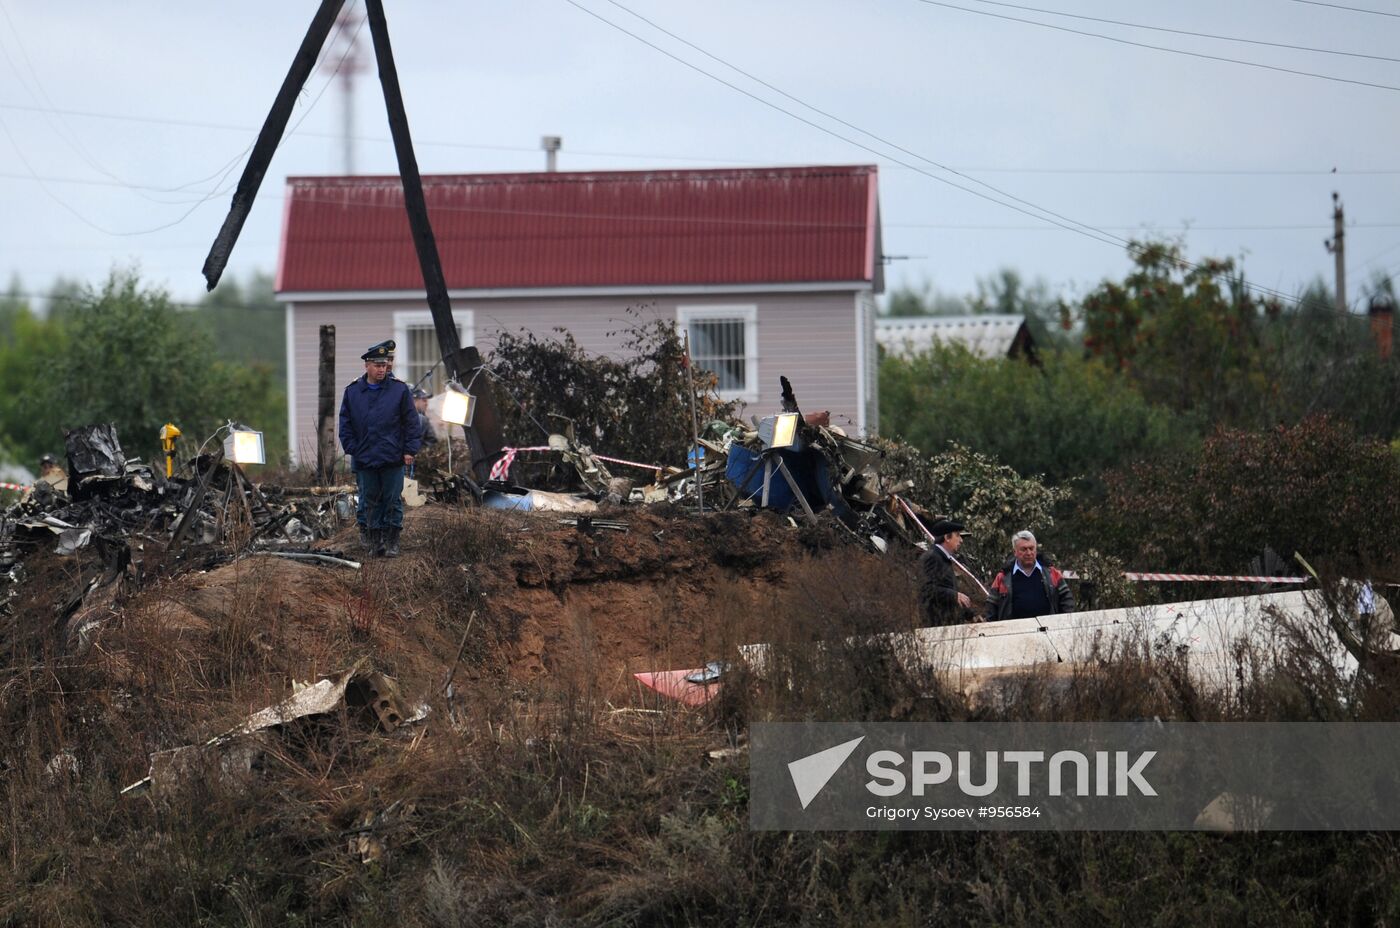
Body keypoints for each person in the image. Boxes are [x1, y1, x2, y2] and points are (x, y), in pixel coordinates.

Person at [338, 339, 422, 557]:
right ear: (367, 365)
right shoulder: (353, 391)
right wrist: (352, 448)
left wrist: (409, 450)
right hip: (365, 457)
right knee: (370, 499)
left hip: (392, 456)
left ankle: (392, 540)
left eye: (384, 365)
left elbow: (411, 422)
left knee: (392, 499)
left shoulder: (399, 390)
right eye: (377, 365)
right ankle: (375, 542)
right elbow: (345, 423)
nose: (381, 369)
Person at [985, 530, 1075, 621]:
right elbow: (991, 607)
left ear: (1036, 550)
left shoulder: (1051, 573)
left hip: (1048, 630)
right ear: (1015, 552)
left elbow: (1067, 599)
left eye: (1031, 548)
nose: (1028, 553)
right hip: (1014, 631)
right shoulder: (1003, 577)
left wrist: (1065, 622)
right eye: (1024, 549)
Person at [918, 519, 975, 626]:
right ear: (947, 537)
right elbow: (927, 590)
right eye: (957, 535)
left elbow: (947, 592)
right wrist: (954, 595)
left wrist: (971, 615)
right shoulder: (932, 557)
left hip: (948, 625)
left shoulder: (944, 559)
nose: (961, 540)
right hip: (936, 626)